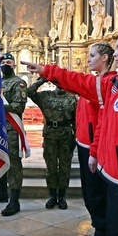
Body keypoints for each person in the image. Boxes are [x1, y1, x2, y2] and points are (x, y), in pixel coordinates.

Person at [22, 30, 118, 236]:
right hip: (112, 174)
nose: (115, 54)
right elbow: (83, 84)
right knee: (112, 228)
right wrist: (47, 71)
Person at [76, 42, 117, 236]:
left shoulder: (108, 83)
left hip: (96, 146)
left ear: (105, 58)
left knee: (96, 193)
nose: (88, 59)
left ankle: (103, 232)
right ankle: (100, 229)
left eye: (92, 55)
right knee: (90, 193)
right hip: (85, 143)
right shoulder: (95, 82)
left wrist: (94, 150)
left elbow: (102, 119)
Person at [0, 53, 28, 217]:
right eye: (3, 63)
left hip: (11, 129)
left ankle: (14, 200)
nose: (5, 65)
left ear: (14, 66)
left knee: (14, 163)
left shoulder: (19, 83)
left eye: (9, 63)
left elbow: (18, 107)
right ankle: (2, 191)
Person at [27, 78, 77, 210]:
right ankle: (52, 195)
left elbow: (76, 121)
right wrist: (43, 78)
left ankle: (62, 196)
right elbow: (29, 92)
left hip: (66, 136)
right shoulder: (45, 95)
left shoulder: (72, 98)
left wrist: (75, 138)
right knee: (51, 167)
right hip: (50, 136)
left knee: (65, 168)